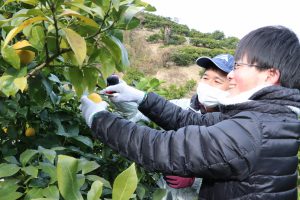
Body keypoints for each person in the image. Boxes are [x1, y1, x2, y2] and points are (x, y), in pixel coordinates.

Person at [80, 26, 300, 199]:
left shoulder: (252, 130)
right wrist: (141, 97)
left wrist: (98, 118)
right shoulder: (270, 118)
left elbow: (162, 148)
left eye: (239, 66)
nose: (231, 75)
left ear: (269, 75)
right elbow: (189, 120)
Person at [107, 54, 234, 200]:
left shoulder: (233, 125)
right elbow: (136, 116)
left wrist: (195, 179)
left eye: (217, 81)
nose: (208, 84)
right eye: (205, 78)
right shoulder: (180, 108)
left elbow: (234, 176)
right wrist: (119, 96)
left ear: (231, 87)